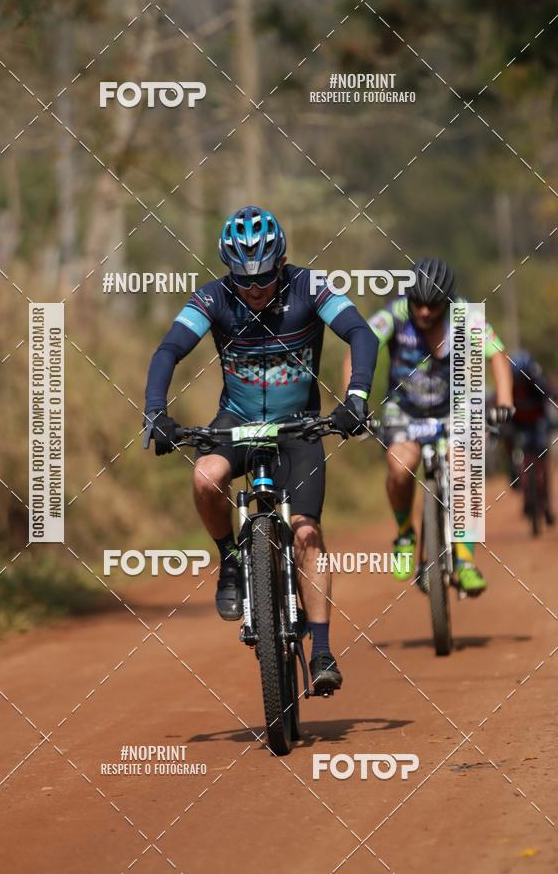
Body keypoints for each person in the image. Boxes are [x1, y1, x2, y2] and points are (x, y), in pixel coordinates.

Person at [144, 206, 379, 693]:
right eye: (244, 280)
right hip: (237, 422)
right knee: (205, 477)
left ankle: (321, 652)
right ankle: (230, 558)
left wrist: (355, 397)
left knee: (307, 534)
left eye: (266, 278)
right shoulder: (212, 299)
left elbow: (361, 332)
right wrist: (156, 414)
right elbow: (168, 349)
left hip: (299, 429)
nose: (254, 290)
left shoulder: (310, 288)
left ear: (283, 262)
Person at [344, 257, 514, 595]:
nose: (423, 312)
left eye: (432, 306)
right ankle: (405, 533)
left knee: (464, 465)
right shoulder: (395, 314)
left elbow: (497, 355)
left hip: (456, 407)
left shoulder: (465, 315)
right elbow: (360, 345)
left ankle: (464, 560)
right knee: (400, 465)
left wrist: (505, 403)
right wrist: (353, 400)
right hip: (404, 409)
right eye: (418, 304)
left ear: (447, 301)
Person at [505, 349, 555, 524]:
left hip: (538, 422)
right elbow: (500, 402)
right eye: (516, 377)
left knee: (542, 462)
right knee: (510, 439)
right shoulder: (509, 385)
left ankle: (546, 506)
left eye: (522, 376)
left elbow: (550, 395)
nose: (520, 380)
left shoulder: (537, 382)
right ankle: (514, 472)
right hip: (521, 425)